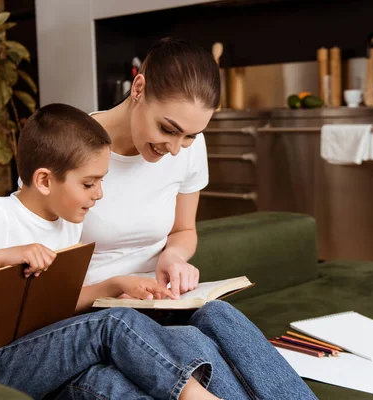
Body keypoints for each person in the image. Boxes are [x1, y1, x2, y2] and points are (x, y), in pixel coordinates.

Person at [0, 103, 248, 399]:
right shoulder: (1, 219)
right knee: (111, 323)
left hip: (39, 352)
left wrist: (116, 285)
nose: (99, 194)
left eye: (102, 181)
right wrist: (3, 257)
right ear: (44, 181)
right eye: (89, 183)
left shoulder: (67, 221)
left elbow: (48, 307)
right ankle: (192, 395)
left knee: (122, 378)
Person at [61, 38, 317, 399]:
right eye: (167, 129)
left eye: (190, 135)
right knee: (189, 341)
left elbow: (184, 230)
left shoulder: (188, 147)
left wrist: (173, 256)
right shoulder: (66, 149)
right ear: (138, 88)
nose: (176, 148)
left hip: (160, 305)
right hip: (99, 316)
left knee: (218, 315)